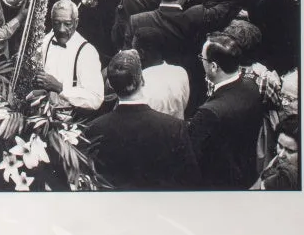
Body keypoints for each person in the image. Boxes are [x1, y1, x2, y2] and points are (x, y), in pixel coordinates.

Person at [88, 49, 200, 189]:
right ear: (142, 80)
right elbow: (189, 179)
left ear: (110, 85)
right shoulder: (174, 127)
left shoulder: (95, 128)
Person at [188, 32, 264, 188]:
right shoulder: (252, 86)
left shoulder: (209, 112)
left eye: (202, 58)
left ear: (214, 67)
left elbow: (192, 154)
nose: (201, 62)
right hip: (246, 175)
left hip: (218, 185)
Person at [35, 0, 104, 111]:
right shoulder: (46, 40)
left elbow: (95, 99)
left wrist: (60, 88)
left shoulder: (87, 52)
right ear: (51, 22)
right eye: (57, 23)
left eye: (67, 24)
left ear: (76, 23)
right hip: (41, 114)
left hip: (71, 119)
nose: (61, 29)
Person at [133, 28, 190, 119]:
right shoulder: (180, 72)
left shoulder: (139, 82)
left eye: (134, 50)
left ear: (141, 53)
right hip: (179, 129)